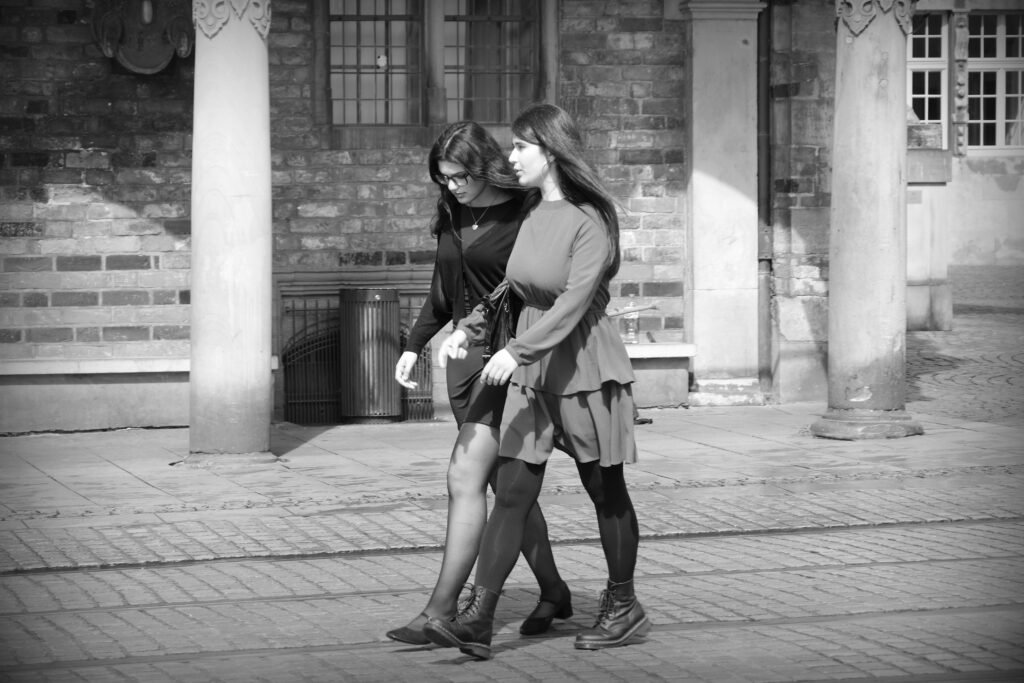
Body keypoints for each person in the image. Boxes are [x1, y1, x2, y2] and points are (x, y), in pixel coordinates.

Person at [423, 103, 651, 660]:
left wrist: (515, 350)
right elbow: (510, 290)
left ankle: (623, 605)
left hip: (585, 370)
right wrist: (468, 330)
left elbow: (574, 304)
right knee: (513, 493)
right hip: (531, 371)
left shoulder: (589, 219)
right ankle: (478, 616)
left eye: (521, 147)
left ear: (551, 151)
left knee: (606, 492)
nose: (512, 157)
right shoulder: (532, 216)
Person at [385, 121, 571, 646]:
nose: (452, 187)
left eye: (460, 176)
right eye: (443, 178)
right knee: (505, 487)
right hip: (463, 363)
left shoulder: (524, 212)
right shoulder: (451, 212)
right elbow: (444, 292)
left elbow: (525, 291)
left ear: (484, 166)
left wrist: (483, 335)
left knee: (464, 476)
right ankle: (555, 591)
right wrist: (413, 343)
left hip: (510, 360)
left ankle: (440, 610)